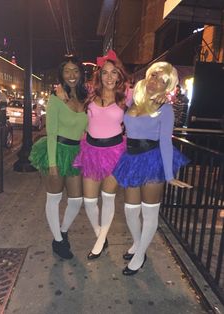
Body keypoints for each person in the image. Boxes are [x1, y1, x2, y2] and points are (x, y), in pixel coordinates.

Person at [113, 61, 192, 276]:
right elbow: (115, 93)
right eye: (154, 76)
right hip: (131, 158)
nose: (156, 82)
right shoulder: (133, 99)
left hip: (153, 159)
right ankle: (139, 244)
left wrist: (168, 175)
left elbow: (166, 142)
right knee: (130, 211)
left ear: (168, 87)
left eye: (163, 81)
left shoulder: (164, 109)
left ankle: (139, 255)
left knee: (149, 213)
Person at [73, 50, 131, 259]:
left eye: (113, 73)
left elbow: (147, 103)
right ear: (99, 75)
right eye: (105, 72)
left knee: (108, 198)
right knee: (89, 201)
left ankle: (99, 243)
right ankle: (101, 234)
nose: (109, 77)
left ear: (119, 75)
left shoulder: (127, 96)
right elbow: (70, 93)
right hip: (91, 150)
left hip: (116, 151)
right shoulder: (89, 94)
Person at [29, 55, 88, 259]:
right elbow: (51, 132)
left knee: (76, 199)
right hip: (56, 148)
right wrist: (52, 163)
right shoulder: (55, 98)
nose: (71, 75)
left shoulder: (84, 99)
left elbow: (88, 129)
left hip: (75, 153)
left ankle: (62, 231)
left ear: (81, 73)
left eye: (75, 71)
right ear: (61, 74)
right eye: (67, 71)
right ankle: (59, 241)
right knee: (53, 199)